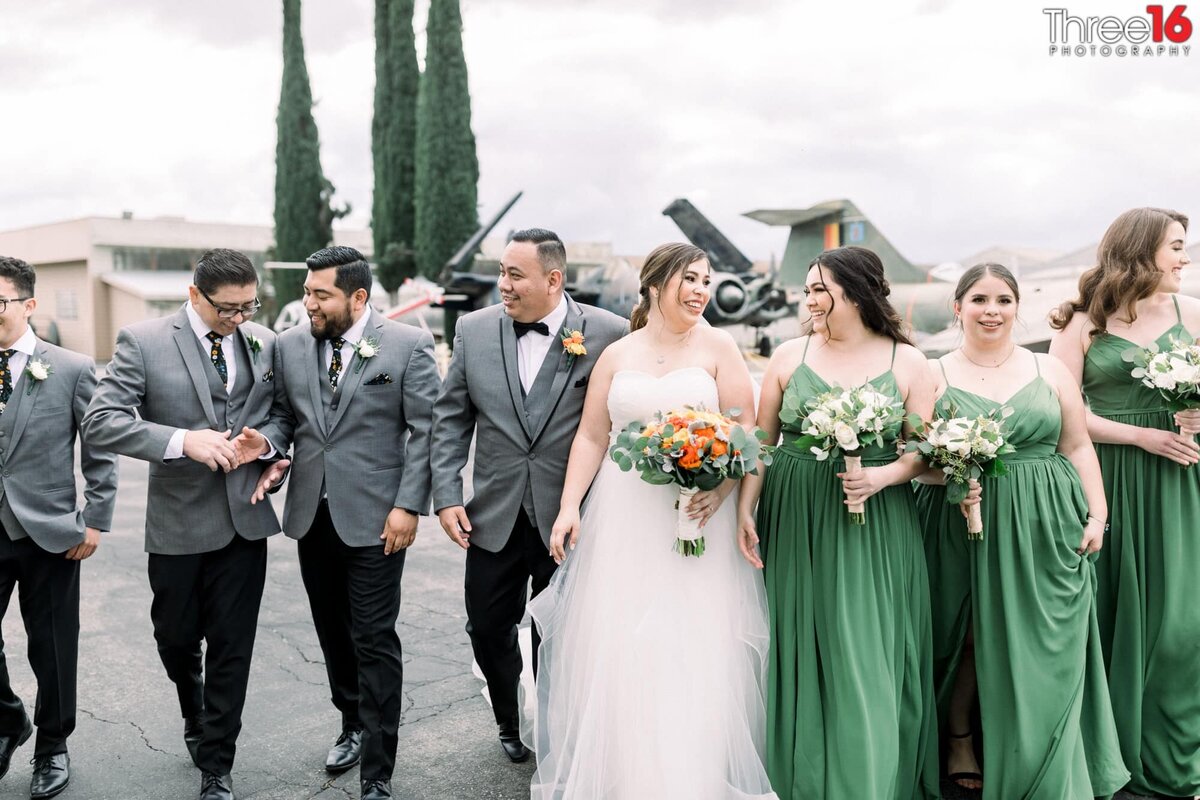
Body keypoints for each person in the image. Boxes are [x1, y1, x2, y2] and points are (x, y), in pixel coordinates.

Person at [527, 242, 776, 799]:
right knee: (625, 644)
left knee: (691, 643)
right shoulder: (617, 354)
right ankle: (627, 775)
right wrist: (569, 507)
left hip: (694, 515)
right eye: (690, 279)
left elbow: (748, 431)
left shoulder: (719, 347)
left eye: (706, 281)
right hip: (623, 518)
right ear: (656, 284)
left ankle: (689, 776)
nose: (701, 291)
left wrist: (725, 490)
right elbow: (592, 435)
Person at [917, 263, 1129, 798]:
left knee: (1049, 639)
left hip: (1046, 519)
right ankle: (960, 737)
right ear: (958, 307)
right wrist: (952, 475)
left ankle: (1047, 762)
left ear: (1017, 307)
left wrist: (1097, 514)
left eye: (1004, 300)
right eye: (981, 299)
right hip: (960, 519)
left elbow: (1077, 445)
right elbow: (915, 457)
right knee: (968, 635)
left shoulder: (1048, 370)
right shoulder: (932, 373)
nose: (993, 311)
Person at [737, 246, 939, 799]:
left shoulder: (908, 362)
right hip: (797, 512)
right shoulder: (787, 355)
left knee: (865, 643)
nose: (810, 300)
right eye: (807, 290)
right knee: (802, 637)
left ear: (857, 290)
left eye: (819, 289)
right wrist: (745, 507)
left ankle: (868, 774)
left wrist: (884, 477)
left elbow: (921, 450)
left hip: (877, 518)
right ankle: (801, 774)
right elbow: (763, 439)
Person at [243, 246, 439, 800]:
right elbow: (285, 415)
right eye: (307, 292)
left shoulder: (408, 345)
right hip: (311, 516)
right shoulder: (289, 346)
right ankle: (351, 722)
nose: (309, 303)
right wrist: (270, 442)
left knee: (374, 638)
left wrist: (409, 505)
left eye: (320, 294)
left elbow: (425, 430)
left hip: (379, 520)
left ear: (358, 296)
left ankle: (378, 769)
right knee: (333, 633)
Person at [83, 249, 280, 800]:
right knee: (174, 638)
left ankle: (217, 763)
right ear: (194, 295)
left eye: (249, 305)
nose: (240, 319)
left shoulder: (265, 340)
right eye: (228, 309)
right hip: (176, 525)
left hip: (246, 522)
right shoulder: (142, 341)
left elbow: (282, 413)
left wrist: (267, 444)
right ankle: (192, 709)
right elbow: (102, 422)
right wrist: (180, 440)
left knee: (232, 647)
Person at [429, 228, 627, 763]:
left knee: (558, 631)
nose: (503, 285)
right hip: (492, 513)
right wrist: (447, 495)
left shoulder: (609, 332)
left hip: (571, 514)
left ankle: (554, 729)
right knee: (487, 625)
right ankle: (506, 716)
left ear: (553, 280)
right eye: (502, 271)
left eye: (515, 275)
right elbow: (450, 419)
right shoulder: (472, 330)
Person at [1049, 207, 1200, 798]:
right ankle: (1113, 762)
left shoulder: (1193, 314)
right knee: (1112, 615)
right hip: (1108, 479)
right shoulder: (1085, 322)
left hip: (1181, 480)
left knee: (1181, 624)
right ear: (1141, 251)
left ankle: (1174, 760)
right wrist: (1141, 434)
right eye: (1177, 248)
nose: (1186, 259)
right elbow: (1063, 412)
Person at [0, 256, 117, 800]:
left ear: (28, 304)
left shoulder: (69, 368)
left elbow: (99, 449)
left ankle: (52, 747)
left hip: (49, 530)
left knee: (51, 645)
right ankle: (8, 719)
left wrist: (94, 517)